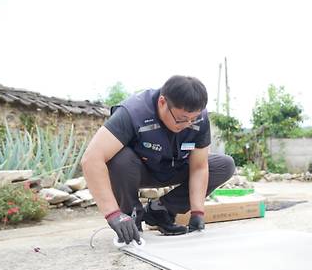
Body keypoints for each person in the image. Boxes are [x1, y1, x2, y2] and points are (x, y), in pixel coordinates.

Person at [82, 75, 235, 244]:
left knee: (224, 165)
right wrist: (113, 214)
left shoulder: (199, 119)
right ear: (162, 102)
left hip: (175, 168)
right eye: (182, 119)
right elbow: (92, 159)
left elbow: (199, 167)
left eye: (193, 120)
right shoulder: (133, 112)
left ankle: (160, 210)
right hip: (138, 171)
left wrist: (197, 212)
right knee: (119, 157)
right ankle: (131, 217)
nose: (188, 124)